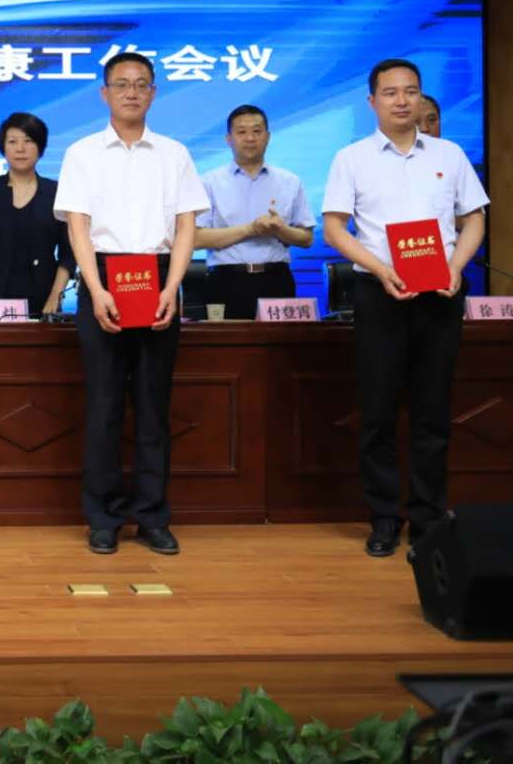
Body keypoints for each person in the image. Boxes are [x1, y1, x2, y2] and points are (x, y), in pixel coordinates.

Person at [322, 59, 487, 557]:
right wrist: (379, 268)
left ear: (421, 98)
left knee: (433, 412)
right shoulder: (351, 158)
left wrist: (456, 266)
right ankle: (383, 520)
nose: (401, 100)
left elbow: (474, 219)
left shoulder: (449, 154)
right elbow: (334, 228)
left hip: (440, 293)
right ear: (371, 101)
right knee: (377, 413)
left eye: (410, 91)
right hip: (380, 293)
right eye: (391, 92)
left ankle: (428, 518)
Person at [54, 53, 208, 557]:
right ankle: (103, 518)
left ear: (154, 93)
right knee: (103, 407)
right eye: (121, 84)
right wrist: (95, 288)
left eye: (141, 84)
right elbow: (77, 226)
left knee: (152, 406)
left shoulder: (174, 154)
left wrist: (172, 287)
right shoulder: (82, 153)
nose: (132, 93)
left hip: (158, 279)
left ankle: (152, 517)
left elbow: (186, 225)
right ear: (105, 93)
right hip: (103, 277)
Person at [194, 105, 314, 319]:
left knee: (280, 342)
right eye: (241, 132)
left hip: (276, 280)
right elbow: (197, 238)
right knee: (226, 342)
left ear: (268, 137)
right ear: (228, 139)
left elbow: (306, 239)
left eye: (257, 131)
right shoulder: (208, 182)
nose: (250, 138)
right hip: (226, 281)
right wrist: (251, 229)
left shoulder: (290, 181)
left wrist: (279, 229)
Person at [0, 111, 75, 315]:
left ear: (40, 147)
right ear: (3, 147)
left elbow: (69, 252)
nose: (20, 149)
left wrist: (55, 295)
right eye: (12, 141)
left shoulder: (56, 192)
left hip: (44, 302)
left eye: (28, 141)